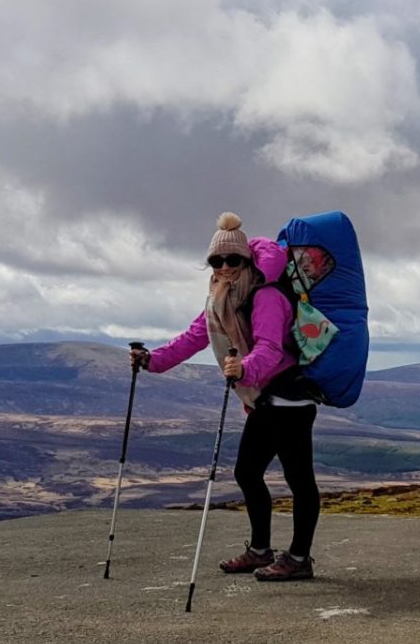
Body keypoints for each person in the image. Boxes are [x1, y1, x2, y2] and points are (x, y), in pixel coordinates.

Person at [131, 212, 321, 581]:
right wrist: (151, 361)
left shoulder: (265, 295)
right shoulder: (221, 300)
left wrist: (244, 369)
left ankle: (299, 559)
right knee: (247, 472)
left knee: (299, 479)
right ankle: (261, 551)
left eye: (233, 260)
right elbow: (191, 338)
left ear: (247, 260)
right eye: (216, 261)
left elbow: (270, 348)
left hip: (290, 397)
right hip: (265, 399)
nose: (224, 266)